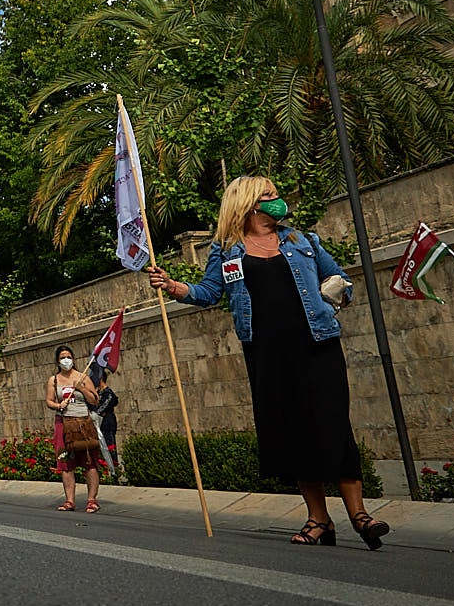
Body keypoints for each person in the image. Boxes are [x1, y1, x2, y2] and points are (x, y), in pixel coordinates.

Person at [151, 175, 388, 549]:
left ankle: (360, 515)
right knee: (294, 431)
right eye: (269, 195)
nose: (278, 200)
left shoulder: (302, 240)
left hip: (318, 344)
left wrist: (339, 289)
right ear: (247, 203)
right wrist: (174, 286)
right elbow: (209, 292)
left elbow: (337, 276)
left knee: (333, 425)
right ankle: (319, 519)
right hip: (267, 353)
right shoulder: (227, 249)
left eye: (276, 194)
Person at [46, 345, 103, 511]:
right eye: (63, 357)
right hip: (63, 424)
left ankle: (92, 500)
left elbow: (94, 400)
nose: (66, 360)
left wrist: (82, 388)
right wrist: (58, 405)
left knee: (89, 461)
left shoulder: (82, 377)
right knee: (65, 462)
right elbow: (49, 400)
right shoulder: (53, 380)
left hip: (83, 423)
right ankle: (69, 500)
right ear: (58, 360)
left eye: (69, 356)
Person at [89, 362, 121, 477]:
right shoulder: (97, 393)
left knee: (110, 449)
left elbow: (100, 409)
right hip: (97, 427)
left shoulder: (108, 394)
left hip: (106, 426)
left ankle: (114, 473)